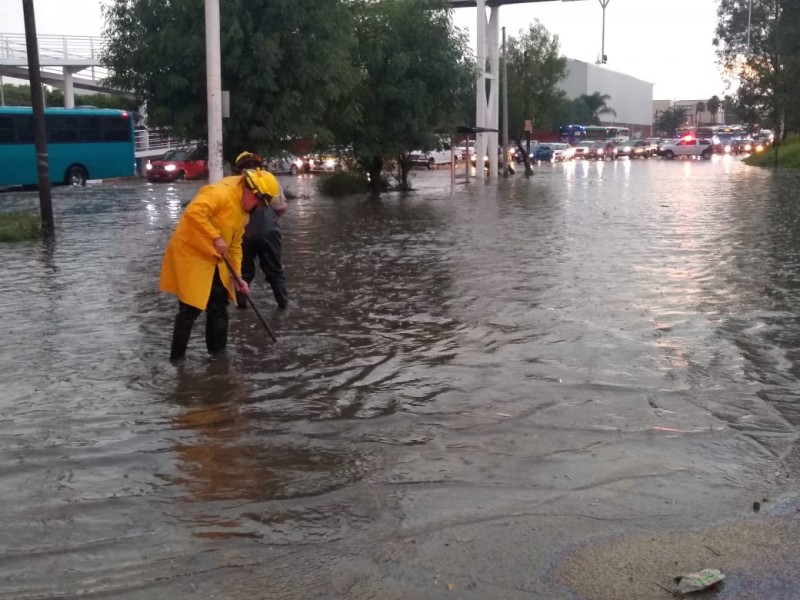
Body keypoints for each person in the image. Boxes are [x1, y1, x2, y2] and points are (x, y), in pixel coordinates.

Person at [159, 168, 282, 361]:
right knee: (190, 309)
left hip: (216, 258)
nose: (257, 207)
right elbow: (194, 213)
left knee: (219, 305)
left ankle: (218, 356)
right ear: (250, 191)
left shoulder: (243, 212)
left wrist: (238, 276)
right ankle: (177, 360)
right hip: (192, 254)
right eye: (258, 202)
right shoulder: (219, 193)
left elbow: (235, 245)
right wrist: (215, 237)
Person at [232, 151, 289, 310]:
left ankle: (241, 307)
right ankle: (283, 304)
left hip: (243, 234)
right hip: (269, 230)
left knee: (242, 272)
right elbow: (281, 207)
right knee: (275, 270)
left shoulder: (234, 182)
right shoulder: (269, 179)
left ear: (239, 167)